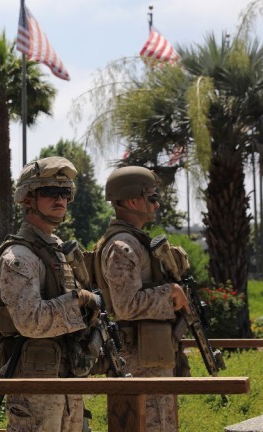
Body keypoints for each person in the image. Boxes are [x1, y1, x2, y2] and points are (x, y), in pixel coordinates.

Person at [0, 156, 102, 431]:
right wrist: (80, 302)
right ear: (28, 198)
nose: (60, 199)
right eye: (50, 192)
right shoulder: (19, 257)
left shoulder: (58, 250)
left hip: (66, 379)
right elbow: (30, 321)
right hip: (35, 386)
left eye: (65, 193)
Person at [95, 165, 190, 432]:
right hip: (139, 363)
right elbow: (125, 305)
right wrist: (170, 292)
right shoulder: (122, 247)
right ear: (132, 201)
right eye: (152, 198)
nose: (157, 205)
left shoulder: (136, 241)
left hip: (151, 358)